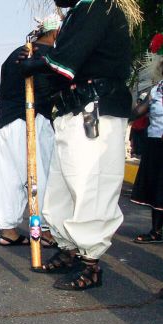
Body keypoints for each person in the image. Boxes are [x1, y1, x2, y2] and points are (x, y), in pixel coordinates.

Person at [21, 0, 141, 290]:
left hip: (94, 109)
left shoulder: (99, 6)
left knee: (91, 186)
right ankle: (69, 249)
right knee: (63, 186)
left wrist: (37, 60)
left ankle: (90, 264)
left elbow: (65, 63)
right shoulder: (82, 9)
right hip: (73, 109)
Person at [0, 14, 61, 248]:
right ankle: (44, 230)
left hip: (7, 122)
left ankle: (8, 230)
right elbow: (44, 90)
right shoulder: (44, 55)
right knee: (40, 175)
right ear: (55, 33)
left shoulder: (17, 53)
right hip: (30, 119)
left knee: (8, 176)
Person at [130, 35, 163, 244]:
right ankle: (156, 231)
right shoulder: (156, 90)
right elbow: (139, 111)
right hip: (156, 144)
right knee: (156, 189)